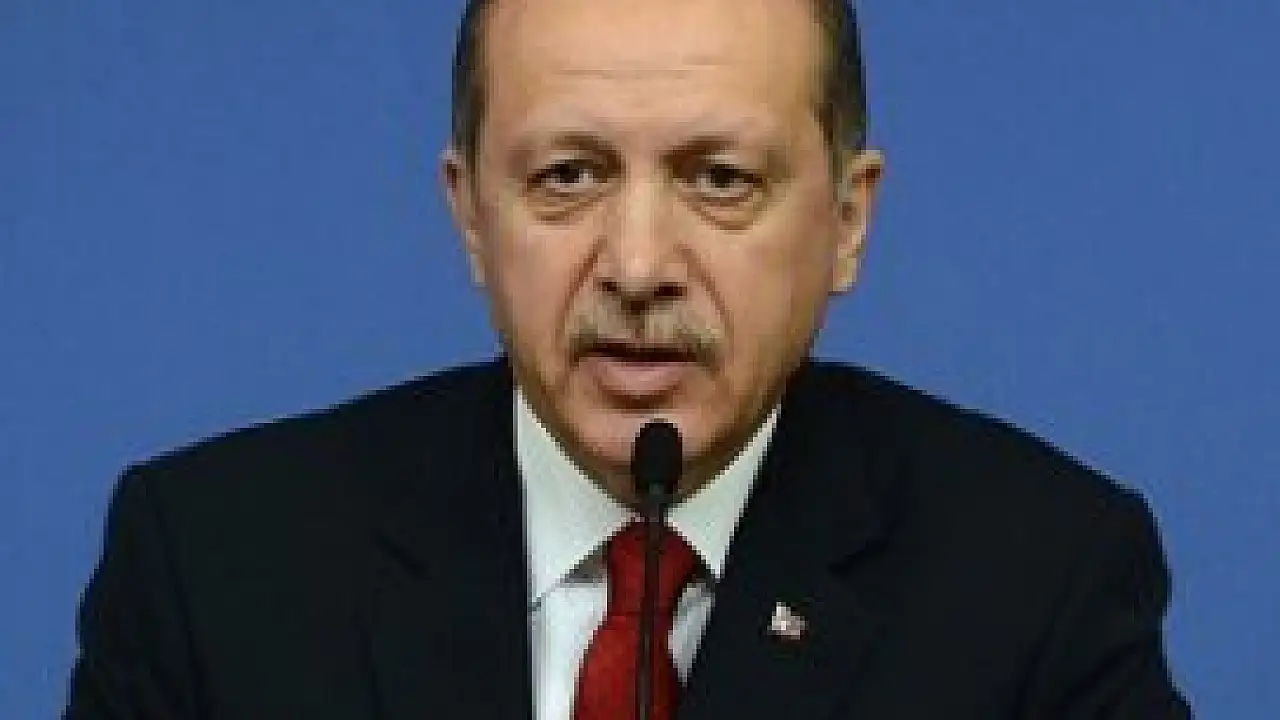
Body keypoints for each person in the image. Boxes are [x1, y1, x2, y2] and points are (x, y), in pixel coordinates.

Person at [65, 0, 1191, 718]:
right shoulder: (212, 572)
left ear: (847, 221)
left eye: (719, 180)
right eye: (567, 176)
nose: (638, 265)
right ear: (469, 215)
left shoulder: (1037, 587)